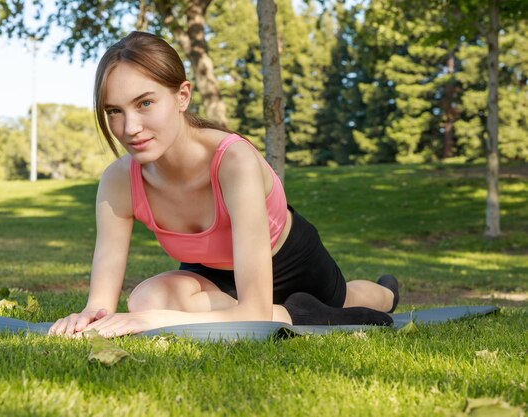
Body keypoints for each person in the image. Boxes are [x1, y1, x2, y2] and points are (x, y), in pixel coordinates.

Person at [49, 31, 399, 338]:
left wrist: (152, 321)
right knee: (146, 298)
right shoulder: (118, 180)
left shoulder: (233, 161)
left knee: (353, 298)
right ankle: (295, 315)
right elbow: (101, 304)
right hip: (213, 278)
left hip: (291, 262)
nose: (130, 128)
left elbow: (254, 314)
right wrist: (90, 317)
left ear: (182, 96)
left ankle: (380, 295)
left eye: (145, 103)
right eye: (115, 111)